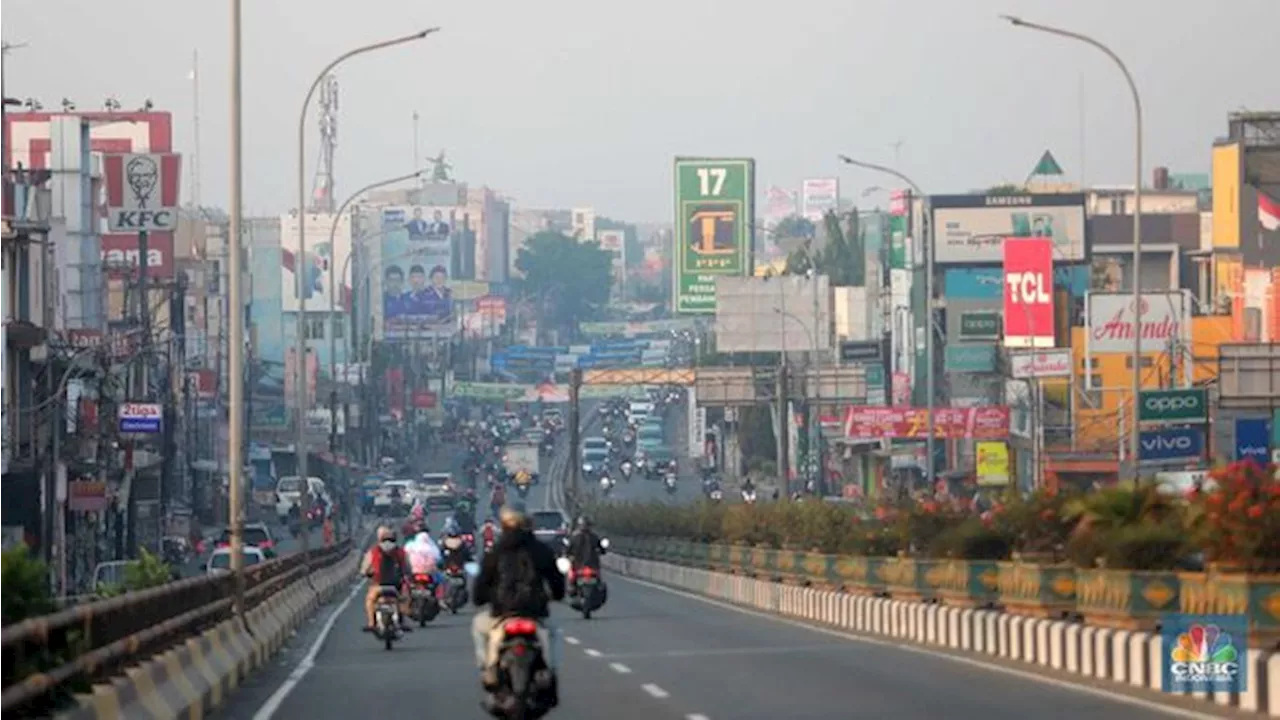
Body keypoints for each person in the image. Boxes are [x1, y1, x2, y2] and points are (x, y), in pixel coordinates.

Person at [471, 501, 564, 695]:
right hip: (535, 612)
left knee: (478, 627)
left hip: (501, 613)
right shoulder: (541, 550)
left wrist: (483, 599)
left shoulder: (494, 553)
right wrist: (556, 595)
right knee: (554, 632)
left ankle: (488, 668)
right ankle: (551, 671)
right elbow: (556, 582)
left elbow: (480, 587)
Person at [359, 526, 413, 631]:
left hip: (379, 586)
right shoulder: (401, 552)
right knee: (404, 600)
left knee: (370, 600)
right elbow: (408, 568)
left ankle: (371, 623)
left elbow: (364, 569)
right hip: (396, 586)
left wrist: (365, 573)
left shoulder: (373, 552)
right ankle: (402, 622)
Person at [566, 515, 605, 595]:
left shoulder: (576, 537)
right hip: (586, 565)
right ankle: (572, 586)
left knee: (572, 573)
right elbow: (601, 549)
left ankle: (572, 586)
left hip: (582, 565)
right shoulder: (593, 536)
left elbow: (568, 550)